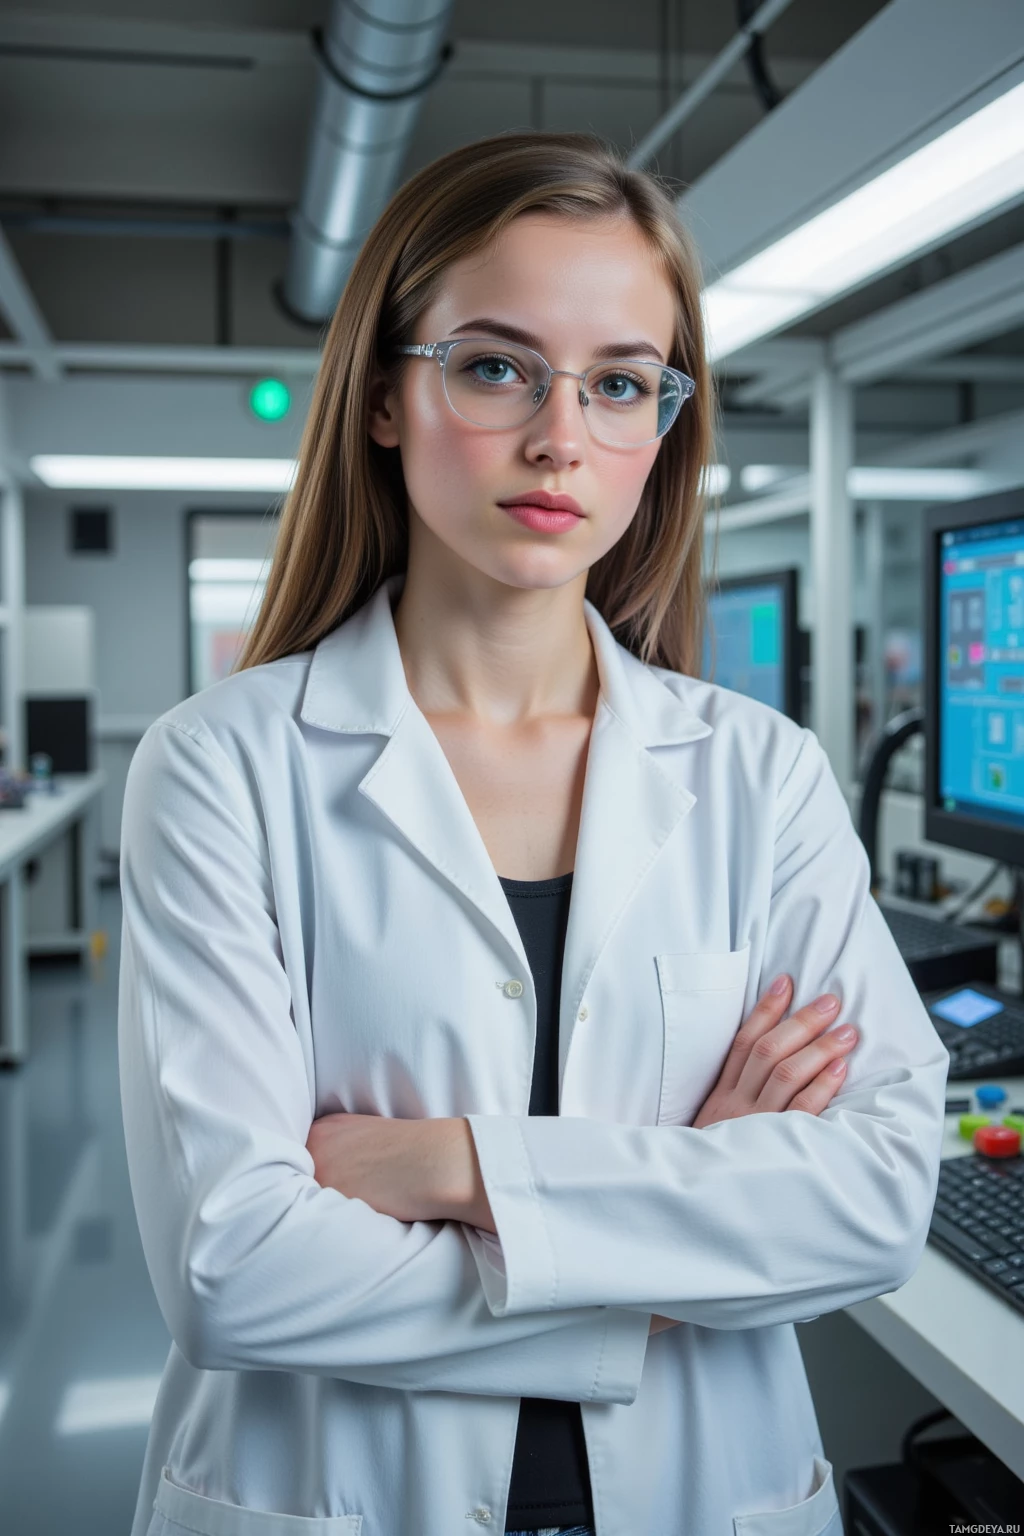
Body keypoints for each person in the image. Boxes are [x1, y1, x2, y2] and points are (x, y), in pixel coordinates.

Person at [118, 131, 949, 1536]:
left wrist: (444, 1165)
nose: (562, 437)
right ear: (386, 394)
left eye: (622, 383)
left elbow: (872, 1200)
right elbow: (236, 1266)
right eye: (497, 365)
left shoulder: (761, 775)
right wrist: (682, 1243)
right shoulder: (222, 768)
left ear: (662, 426)